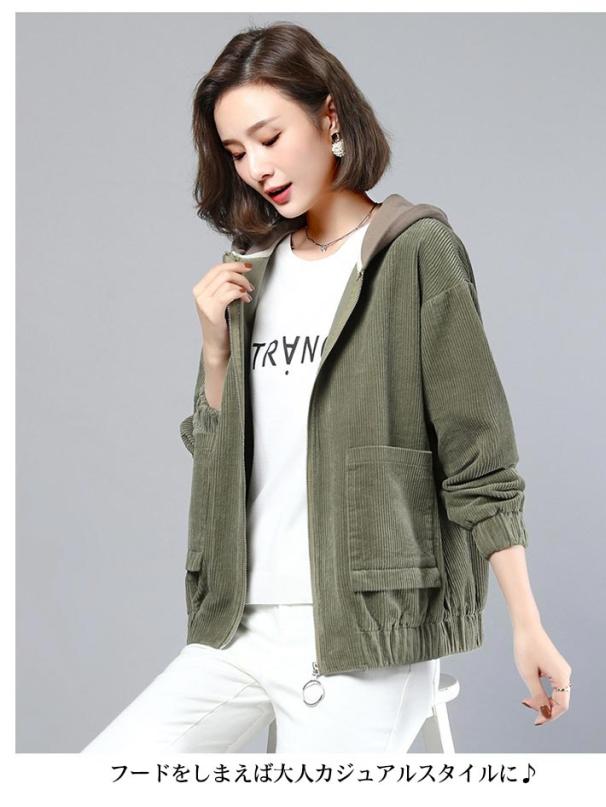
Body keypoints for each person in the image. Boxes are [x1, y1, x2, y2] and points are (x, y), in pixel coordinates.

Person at [81, 21, 571, 755]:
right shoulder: (252, 276)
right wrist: (215, 354)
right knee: (100, 778)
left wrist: (527, 623)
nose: (256, 168)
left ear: (329, 116)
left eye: (269, 137)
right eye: (237, 152)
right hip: (240, 627)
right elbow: (218, 465)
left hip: (364, 634)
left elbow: (479, 453)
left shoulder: (415, 253)